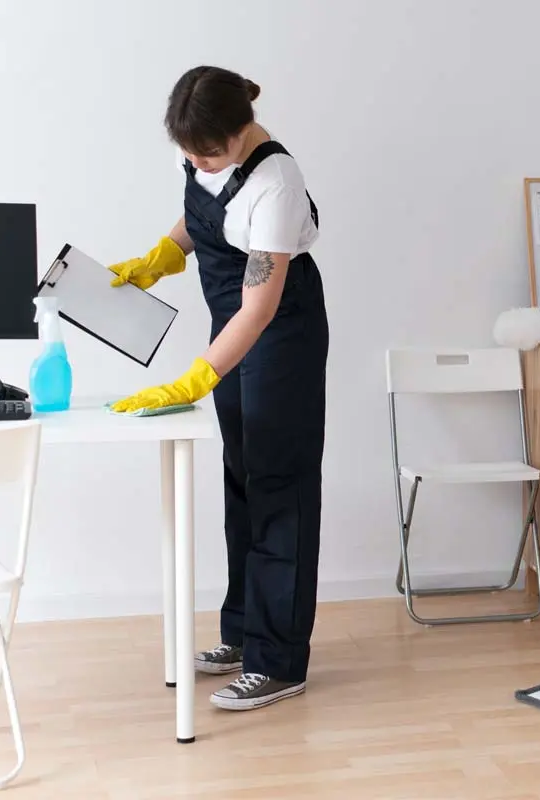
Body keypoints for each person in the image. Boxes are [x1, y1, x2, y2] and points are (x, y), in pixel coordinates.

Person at [109, 65, 329, 710]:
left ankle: (280, 661)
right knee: (243, 479)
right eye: (188, 152)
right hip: (231, 326)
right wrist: (159, 257)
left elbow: (258, 309)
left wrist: (196, 376)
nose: (197, 161)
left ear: (240, 131)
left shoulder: (277, 184)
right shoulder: (204, 150)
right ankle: (243, 634)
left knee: (279, 485)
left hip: (277, 330)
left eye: (209, 151)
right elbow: (200, 212)